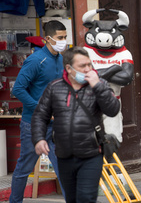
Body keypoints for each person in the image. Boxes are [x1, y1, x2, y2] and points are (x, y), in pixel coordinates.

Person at [31, 47, 120, 203]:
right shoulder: (54, 87)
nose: (87, 69)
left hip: (91, 154)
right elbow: (40, 115)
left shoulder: (100, 85)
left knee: (86, 198)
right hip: (64, 155)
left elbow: (113, 110)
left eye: (89, 65)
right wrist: (39, 139)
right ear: (69, 69)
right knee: (71, 199)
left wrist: (97, 86)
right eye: (82, 66)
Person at [10, 20, 67, 203]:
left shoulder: (62, 59)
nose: (63, 41)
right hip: (34, 125)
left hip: (57, 126)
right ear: (47, 39)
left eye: (65, 37)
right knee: (24, 169)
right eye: (60, 38)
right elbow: (18, 89)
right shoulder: (36, 60)